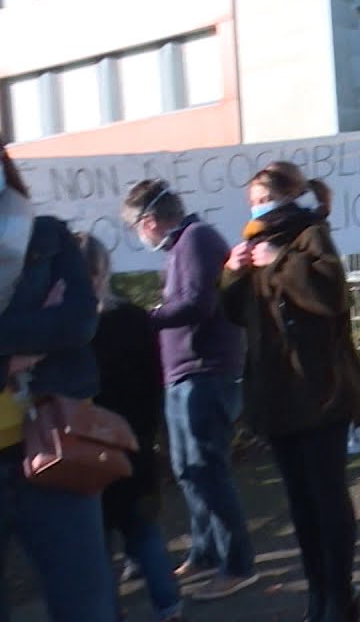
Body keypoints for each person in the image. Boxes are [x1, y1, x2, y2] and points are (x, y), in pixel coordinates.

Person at [221, 162, 360, 622]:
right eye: (252, 202)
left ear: (289, 196)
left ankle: (339, 595)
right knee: (300, 503)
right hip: (277, 396)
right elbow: (236, 313)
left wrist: (281, 263)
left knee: (327, 498)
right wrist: (232, 273)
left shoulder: (310, 235)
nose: (257, 209)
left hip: (320, 392)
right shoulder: (254, 243)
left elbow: (330, 296)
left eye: (264, 199)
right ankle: (318, 593)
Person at [122, 180, 258, 600]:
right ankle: (205, 552)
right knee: (188, 470)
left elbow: (199, 304)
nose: (139, 236)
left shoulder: (196, 239)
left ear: (149, 221)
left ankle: (237, 564)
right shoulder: (181, 247)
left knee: (207, 470)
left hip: (206, 372)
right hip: (185, 375)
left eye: (136, 228)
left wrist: (144, 318)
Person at [0, 142, 117, 622]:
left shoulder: (46, 235)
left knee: (85, 603)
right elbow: (56, 326)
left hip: (55, 442)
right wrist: (19, 351)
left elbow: (77, 322)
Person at [78, 233, 184, 622]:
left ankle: (108, 612)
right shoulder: (135, 318)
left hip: (84, 445)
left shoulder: (68, 331)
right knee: (144, 529)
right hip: (133, 439)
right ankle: (168, 606)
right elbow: (155, 380)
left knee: (95, 543)